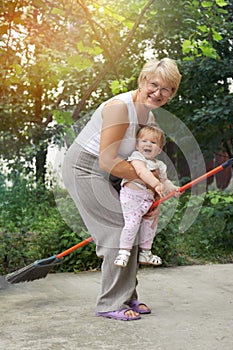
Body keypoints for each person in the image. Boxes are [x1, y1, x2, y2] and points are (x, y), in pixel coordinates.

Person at [62, 57, 182, 321]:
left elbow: (140, 159)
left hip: (116, 171)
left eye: (167, 90)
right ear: (141, 80)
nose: (158, 93)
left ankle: (127, 297)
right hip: (86, 168)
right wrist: (152, 183)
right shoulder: (119, 107)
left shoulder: (148, 115)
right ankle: (109, 303)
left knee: (134, 225)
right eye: (154, 85)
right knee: (119, 228)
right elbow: (107, 160)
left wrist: (154, 186)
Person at [114, 124, 179, 268]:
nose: (148, 144)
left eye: (153, 142)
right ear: (137, 145)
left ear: (159, 149)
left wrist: (173, 189)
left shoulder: (160, 165)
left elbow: (165, 181)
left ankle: (145, 252)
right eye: (144, 141)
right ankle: (123, 252)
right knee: (132, 223)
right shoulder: (136, 157)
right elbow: (142, 172)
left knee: (150, 225)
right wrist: (156, 184)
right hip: (132, 197)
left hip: (148, 200)